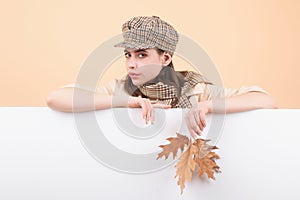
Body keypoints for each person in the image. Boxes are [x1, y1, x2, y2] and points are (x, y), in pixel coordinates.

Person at [46, 16, 277, 138]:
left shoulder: (195, 88)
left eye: (142, 54)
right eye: (128, 55)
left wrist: (207, 105)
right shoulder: (120, 89)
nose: (131, 64)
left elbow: (267, 101)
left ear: (165, 59)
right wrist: (127, 102)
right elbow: (57, 98)